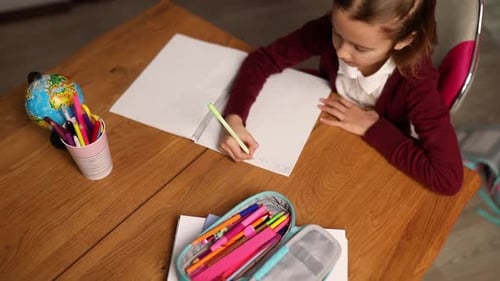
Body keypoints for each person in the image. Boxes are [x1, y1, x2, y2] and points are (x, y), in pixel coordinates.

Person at [219, 0, 463, 195]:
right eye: (338, 34)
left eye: (360, 48)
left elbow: (447, 178)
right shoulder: (332, 29)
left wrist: (373, 127)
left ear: (404, 41)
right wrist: (235, 117)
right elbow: (263, 60)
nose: (342, 51)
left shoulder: (417, 84)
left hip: (371, 160)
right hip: (320, 122)